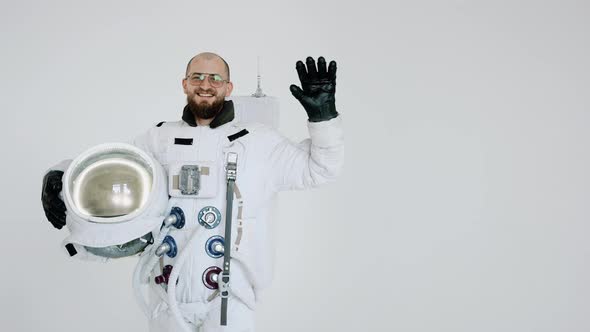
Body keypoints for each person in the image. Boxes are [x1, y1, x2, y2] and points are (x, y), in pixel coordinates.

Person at [41, 52, 343, 331]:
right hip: (166, 293)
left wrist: (323, 119)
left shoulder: (258, 142)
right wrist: (60, 174)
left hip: (229, 299)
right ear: (185, 84)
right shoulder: (158, 139)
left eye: (215, 78)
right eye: (197, 77)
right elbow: (111, 171)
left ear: (228, 87)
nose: (205, 84)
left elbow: (319, 169)